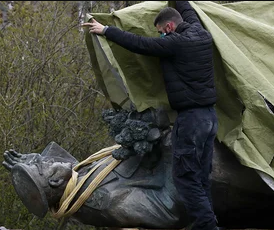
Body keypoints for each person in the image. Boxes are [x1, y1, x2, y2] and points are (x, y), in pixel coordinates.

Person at [82, 1, 218, 230]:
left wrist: (106, 30)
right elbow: (188, 9)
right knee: (201, 177)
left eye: (161, 32)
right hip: (209, 119)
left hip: (191, 121)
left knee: (185, 178)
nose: (160, 36)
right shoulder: (201, 32)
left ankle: (206, 226)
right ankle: (208, 223)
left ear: (169, 27)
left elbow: (141, 44)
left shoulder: (176, 43)